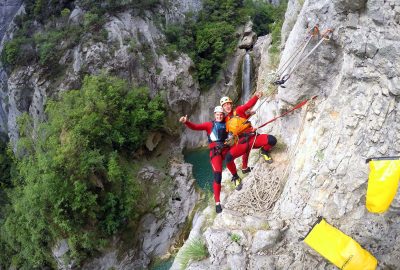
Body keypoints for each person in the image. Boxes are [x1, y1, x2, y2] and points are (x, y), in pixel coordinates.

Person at [179, 106, 241, 214]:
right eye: (217, 114)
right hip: (215, 151)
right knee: (217, 175)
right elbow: (196, 127)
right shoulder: (209, 125)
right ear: (214, 114)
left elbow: (235, 124)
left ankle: (235, 177)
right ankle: (217, 203)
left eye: (221, 114)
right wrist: (186, 122)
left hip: (226, 148)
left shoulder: (227, 123)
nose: (219, 116)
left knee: (230, 160)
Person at [220, 93, 277, 181]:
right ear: (223, 108)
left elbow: (248, 105)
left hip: (252, 138)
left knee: (272, 140)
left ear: (231, 104)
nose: (227, 106)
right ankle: (236, 176)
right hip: (241, 143)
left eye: (228, 104)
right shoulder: (226, 121)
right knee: (228, 159)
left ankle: (264, 151)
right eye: (224, 105)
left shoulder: (239, 110)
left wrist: (256, 96)